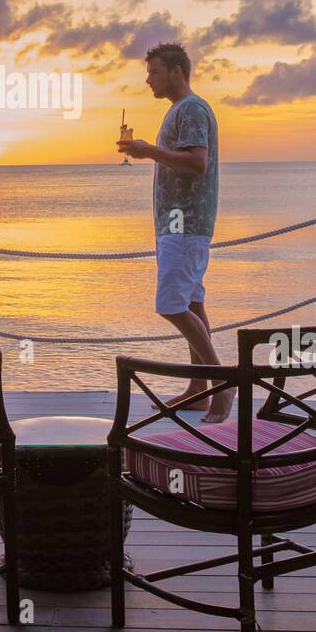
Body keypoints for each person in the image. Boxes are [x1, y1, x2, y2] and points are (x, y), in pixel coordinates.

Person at [118, 42, 233, 423]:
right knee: (194, 303)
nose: (148, 79)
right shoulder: (181, 110)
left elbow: (198, 163)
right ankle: (199, 389)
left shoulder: (192, 109)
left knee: (171, 304)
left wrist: (148, 151)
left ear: (176, 72)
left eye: (153, 72)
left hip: (184, 224)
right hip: (180, 223)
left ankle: (222, 383)